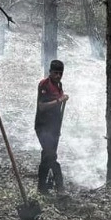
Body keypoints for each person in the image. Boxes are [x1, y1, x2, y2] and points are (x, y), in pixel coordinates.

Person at [35, 59, 67, 194]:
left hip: (54, 127)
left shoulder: (59, 85)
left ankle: (41, 187)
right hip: (43, 127)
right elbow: (41, 106)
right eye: (56, 73)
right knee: (51, 155)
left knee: (47, 156)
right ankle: (60, 188)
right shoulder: (44, 84)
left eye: (60, 73)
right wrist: (59, 100)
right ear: (50, 72)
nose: (58, 76)